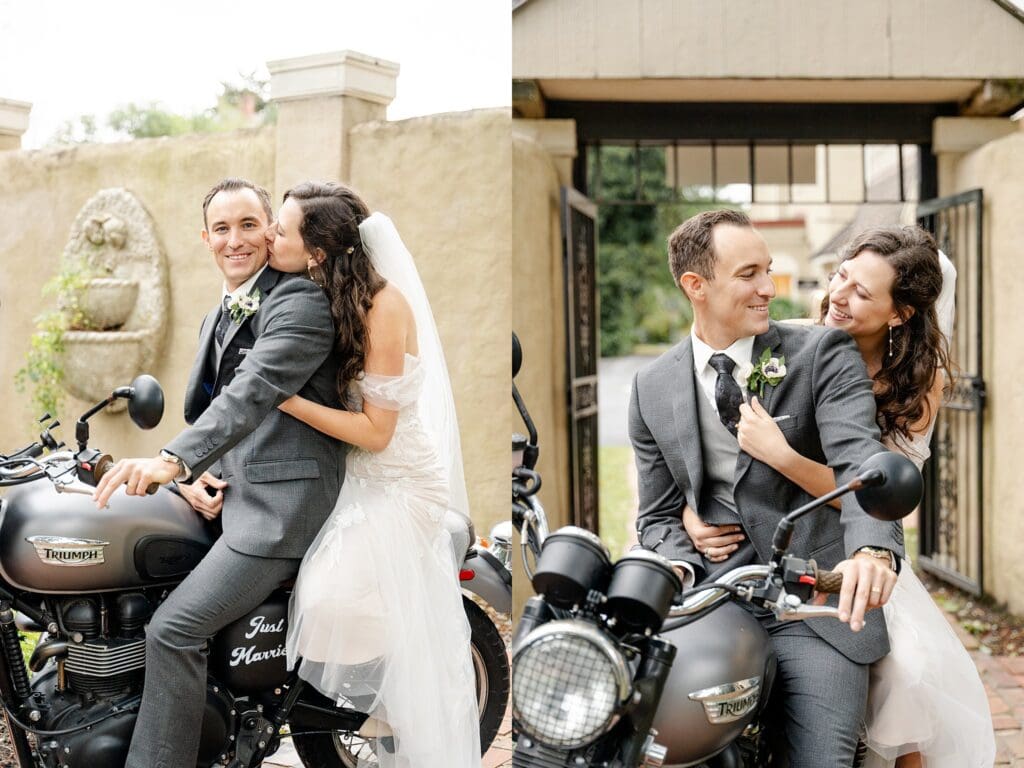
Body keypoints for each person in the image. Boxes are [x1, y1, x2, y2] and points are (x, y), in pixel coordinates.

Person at [684, 225, 995, 767]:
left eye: (863, 293)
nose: (840, 297)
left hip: (854, 548)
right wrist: (693, 509)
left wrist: (783, 456)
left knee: (906, 676)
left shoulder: (920, 384)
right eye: (841, 277)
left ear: (899, 314)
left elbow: (877, 497)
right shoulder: (787, 341)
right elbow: (716, 445)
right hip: (775, 543)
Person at [630, 209, 903, 767]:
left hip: (818, 605)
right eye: (749, 273)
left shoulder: (822, 353)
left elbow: (861, 460)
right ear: (695, 286)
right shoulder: (651, 386)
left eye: (768, 270)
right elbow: (655, 517)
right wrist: (685, 556)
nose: (768, 288)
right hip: (712, 603)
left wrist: (873, 550)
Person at [92, 177, 346, 768]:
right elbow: (209, 415)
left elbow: (252, 393)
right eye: (223, 229)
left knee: (172, 630)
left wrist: (168, 460)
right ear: (205, 238)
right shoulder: (218, 314)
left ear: (271, 232)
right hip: (239, 495)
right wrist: (189, 476)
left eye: (250, 225)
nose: (236, 240)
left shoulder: (300, 303)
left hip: (281, 512)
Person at [265, 182, 479, 768]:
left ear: (316, 251)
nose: (268, 237)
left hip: (399, 478)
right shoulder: (311, 289)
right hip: (353, 472)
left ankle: (393, 716)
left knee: (329, 597)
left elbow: (377, 432)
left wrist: (285, 401)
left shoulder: (384, 307)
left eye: (280, 230)